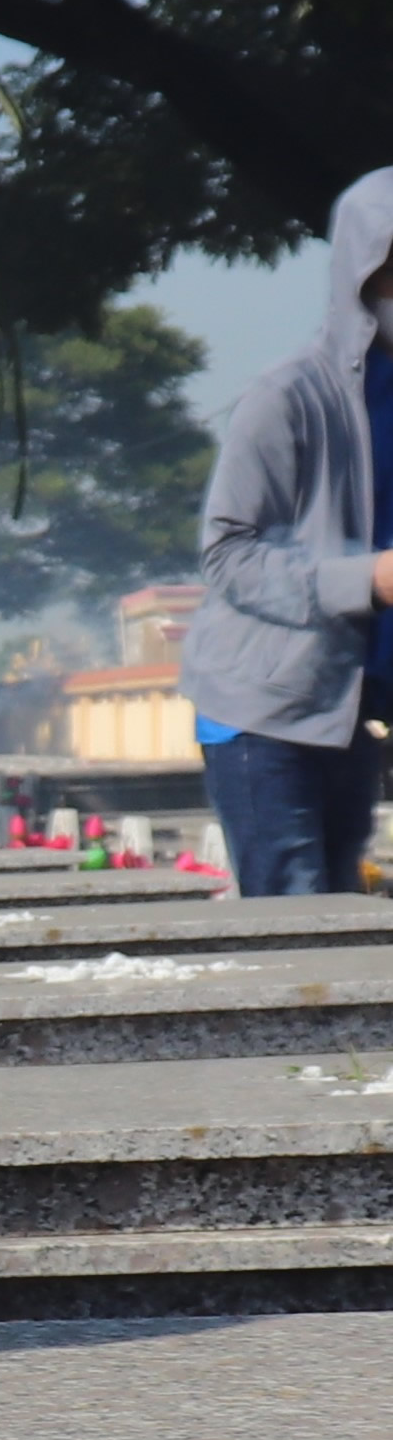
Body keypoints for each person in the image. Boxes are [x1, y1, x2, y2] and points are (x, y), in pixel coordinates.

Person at [195, 168, 393, 896]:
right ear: (363, 271)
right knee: (294, 909)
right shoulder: (288, 396)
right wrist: (365, 578)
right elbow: (227, 555)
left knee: (340, 903)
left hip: (350, 710)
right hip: (262, 710)